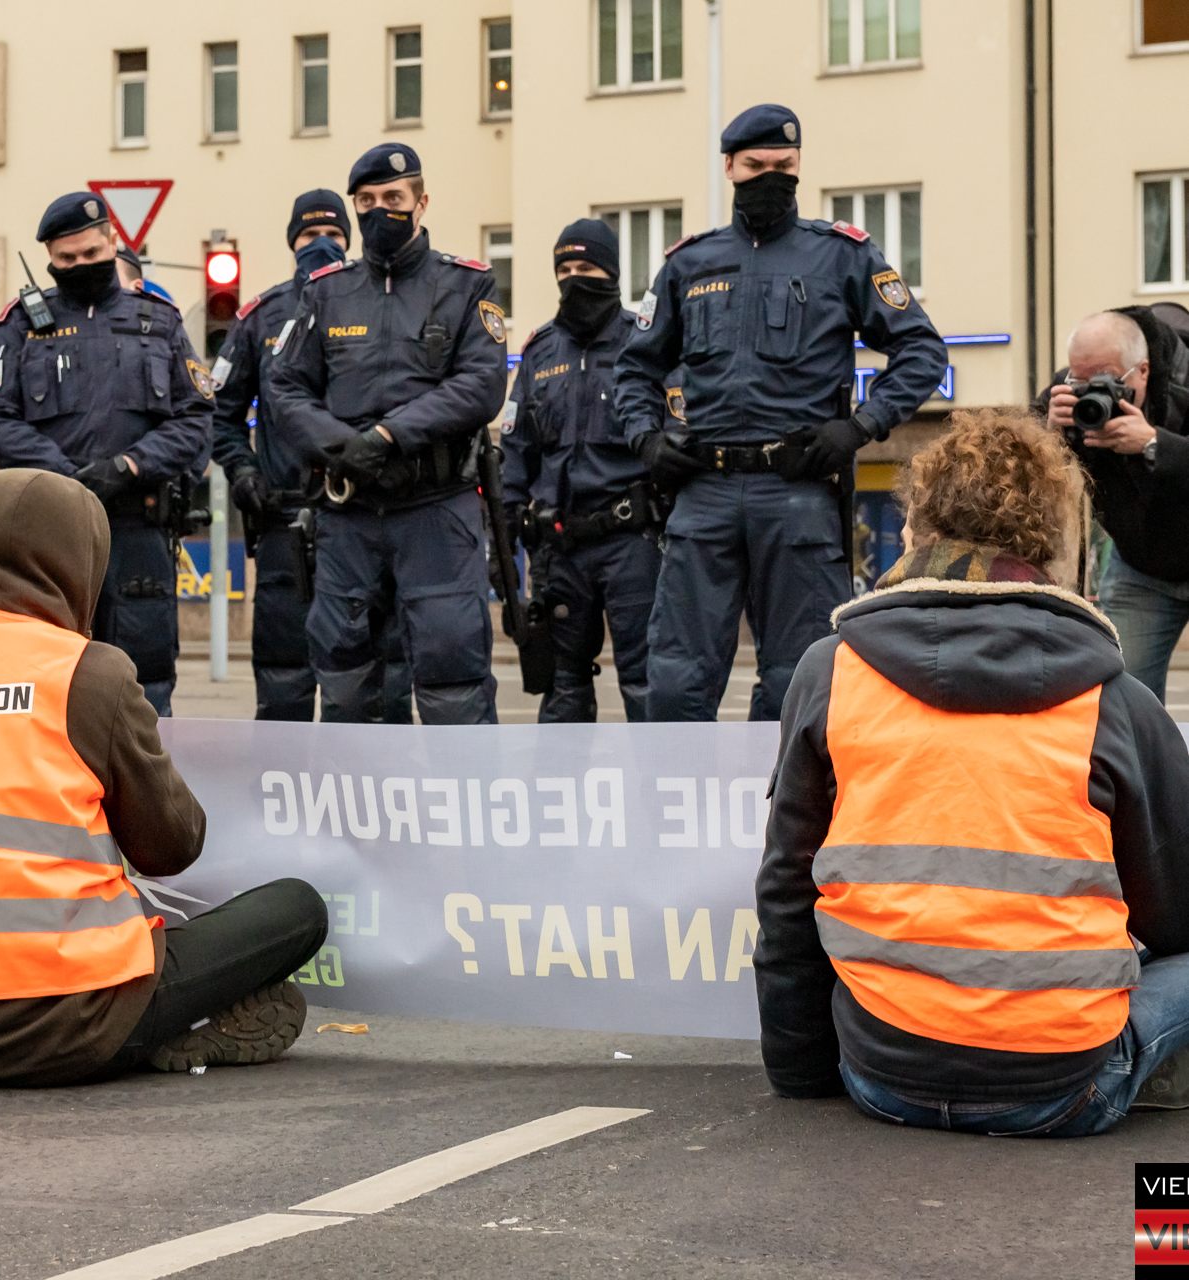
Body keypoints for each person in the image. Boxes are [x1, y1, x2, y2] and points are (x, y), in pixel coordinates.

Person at [0, 468, 329, 1083]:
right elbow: (171, 848)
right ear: (79, 562)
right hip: (77, 1022)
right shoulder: (87, 673)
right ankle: (177, 1024)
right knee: (298, 909)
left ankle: (174, 1025)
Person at [755, 408, 1189, 1136]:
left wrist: (801, 1074)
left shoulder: (831, 672)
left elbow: (787, 892)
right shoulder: (1114, 698)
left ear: (917, 524)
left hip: (882, 1074)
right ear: (1050, 540)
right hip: (1061, 1088)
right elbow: (1174, 911)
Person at [612, 104, 946, 722]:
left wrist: (861, 427)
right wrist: (646, 439)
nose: (771, 177)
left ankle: (782, 814)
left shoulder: (842, 256)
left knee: (802, 679)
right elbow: (633, 368)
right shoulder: (690, 263)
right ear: (729, 168)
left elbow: (921, 350)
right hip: (703, 491)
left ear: (799, 167)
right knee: (676, 678)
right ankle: (678, 811)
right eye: (756, 165)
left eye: (784, 166)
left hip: (796, 492)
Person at [270, 144, 508, 724]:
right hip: (349, 514)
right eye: (368, 201)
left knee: (453, 676)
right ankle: (358, 815)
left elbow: (481, 385)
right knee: (346, 678)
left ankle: (461, 811)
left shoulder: (465, 285)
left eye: (394, 199)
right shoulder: (325, 292)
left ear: (421, 203)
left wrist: (386, 437)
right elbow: (283, 388)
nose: (381, 211)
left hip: (436, 510)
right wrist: (342, 447)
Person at [0, 193, 213, 716]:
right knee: (44, 683)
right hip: (50, 532)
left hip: (137, 530)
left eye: (91, 253)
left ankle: (142, 796)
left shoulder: (160, 322)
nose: (81, 266)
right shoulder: (21, 326)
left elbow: (195, 418)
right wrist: (64, 476)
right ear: (51, 261)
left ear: (113, 243)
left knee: (143, 685)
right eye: (67, 260)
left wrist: (128, 466)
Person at [210, 189, 411, 722]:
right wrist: (243, 472)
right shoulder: (261, 317)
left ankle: (371, 787)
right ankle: (281, 793)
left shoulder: (380, 303)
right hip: (285, 519)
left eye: (333, 236)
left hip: (365, 514)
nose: (321, 245)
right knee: (284, 672)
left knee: (376, 668)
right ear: (290, 243)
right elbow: (219, 413)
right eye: (308, 237)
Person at [502, 218, 659, 723]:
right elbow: (515, 447)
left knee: (646, 679)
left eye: (586, 266)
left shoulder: (646, 343)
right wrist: (503, 529)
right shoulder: (539, 351)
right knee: (562, 685)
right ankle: (559, 798)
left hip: (631, 541)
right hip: (560, 548)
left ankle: (654, 799)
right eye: (564, 268)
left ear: (611, 272)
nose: (574, 278)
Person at [1038, 306, 1189, 702]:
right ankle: (1141, 765)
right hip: (1140, 565)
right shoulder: (1066, 394)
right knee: (1122, 694)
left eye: (1104, 381)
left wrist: (1156, 444)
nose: (1091, 392)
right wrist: (1047, 434)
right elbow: (1017, 468)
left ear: (1142, 370)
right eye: (1079, 378)